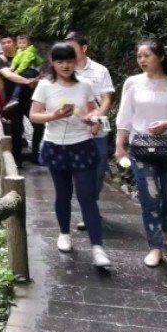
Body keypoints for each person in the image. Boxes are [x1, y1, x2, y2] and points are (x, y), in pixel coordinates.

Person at [115, 40, 167, 267]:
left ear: (160, 57)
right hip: (141, 149)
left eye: (147, 56)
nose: (142, 60)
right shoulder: (133, 83)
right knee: (150, 199)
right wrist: (119, 145)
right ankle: (155, 246)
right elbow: (124, 116)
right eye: (139, 56)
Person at [30, 42, 111, 267]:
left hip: (81, 143)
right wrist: (54, 116)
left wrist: (93, 120)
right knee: (63, 193)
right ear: (52, 63)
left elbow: (91, 109)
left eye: (69, 61)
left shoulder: (84, 85)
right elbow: (34, 116)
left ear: (76, 61)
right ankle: (64, 233)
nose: (65, 65)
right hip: (56, 145)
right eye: (60, 61)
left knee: (87, 196)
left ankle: (98, 248)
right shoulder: (45, 86)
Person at [64, 32, 114, 231]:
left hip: (98, 130)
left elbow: (107, 98)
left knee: (99, 171)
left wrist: (96, 119)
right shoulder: (65, 71)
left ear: (83, 48)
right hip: (75, 129)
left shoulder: (100, 71)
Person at [0, 34, 39, 167]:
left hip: (29, 96)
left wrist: (35, 80)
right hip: (12, 99)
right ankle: (17, 159)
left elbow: (37, 70)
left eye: (9, 42)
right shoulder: (1, 59)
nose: (7, 45)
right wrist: (27, 81)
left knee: (39, 125)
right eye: (4, 43)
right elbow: (8, 75)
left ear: (14, 43)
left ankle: (36, 155)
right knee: (17, 129)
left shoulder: (25, 54)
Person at [4, 35, 44, 109]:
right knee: (20, 81)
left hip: (32, 70)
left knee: (19, 78)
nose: (22, 45)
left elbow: (25, 63)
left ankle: (15, 98)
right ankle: (15, 98)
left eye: (24, 43)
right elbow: (16, 59)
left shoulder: (30, 51)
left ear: (28, 43)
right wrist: (13, 66)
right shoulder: (19, 51)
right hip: (26, 70)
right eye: (19, 43)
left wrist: (17, 71)